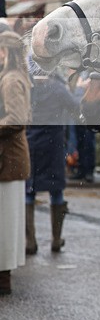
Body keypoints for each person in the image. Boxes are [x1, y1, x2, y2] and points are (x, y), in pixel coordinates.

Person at [25, 60, 81, 255]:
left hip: (31, 143)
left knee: (29, 191)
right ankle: (56, 240)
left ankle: (29, 242)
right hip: (53, 146)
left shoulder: (28, 86)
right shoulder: (58, 88)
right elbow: (76, 108)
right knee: (56, 191)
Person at [0, 31, 32, 295]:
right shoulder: (14, 76)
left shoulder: (10, 79)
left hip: (7, 159)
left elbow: (16, 119)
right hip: (9, 158)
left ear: (6, 52)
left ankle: (3, 278)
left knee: (6, 222)